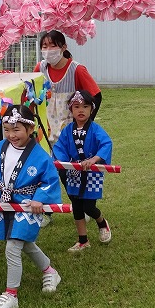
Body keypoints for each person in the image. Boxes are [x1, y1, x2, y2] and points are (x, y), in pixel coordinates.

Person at [0, 104, 63, 308]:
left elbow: (50, 180)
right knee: (25, 244)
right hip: (5, 203)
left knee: (13, 246)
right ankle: (49, 271)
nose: (11, 134)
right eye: (7, 129)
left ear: (29, 128)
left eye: (16, 129)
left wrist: (40, 199)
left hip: (27, 205)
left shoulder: (41, 156)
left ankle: (11, 294)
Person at [52, 90, 113, 252]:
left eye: (85, 106)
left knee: (88, 206)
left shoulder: (96, 129)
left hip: (92, 173)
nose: (81, 110)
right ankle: (83, 240)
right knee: (77, 206)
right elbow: (60, 148)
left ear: (91, 109)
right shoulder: (67, 130)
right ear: (71, 109)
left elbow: (106, 144)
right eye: (76, 106)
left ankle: (101, 222)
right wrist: (62, 162)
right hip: (74, 172)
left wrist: (93, 160)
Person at [35, 30, 102, 142]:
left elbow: (96, 96)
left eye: (53, 46)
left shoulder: (77, 70)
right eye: (45, 47)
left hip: (70, 130)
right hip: (46, 129)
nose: (48, 51)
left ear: (63, 47)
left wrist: (85, 123)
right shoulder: (40, 69)